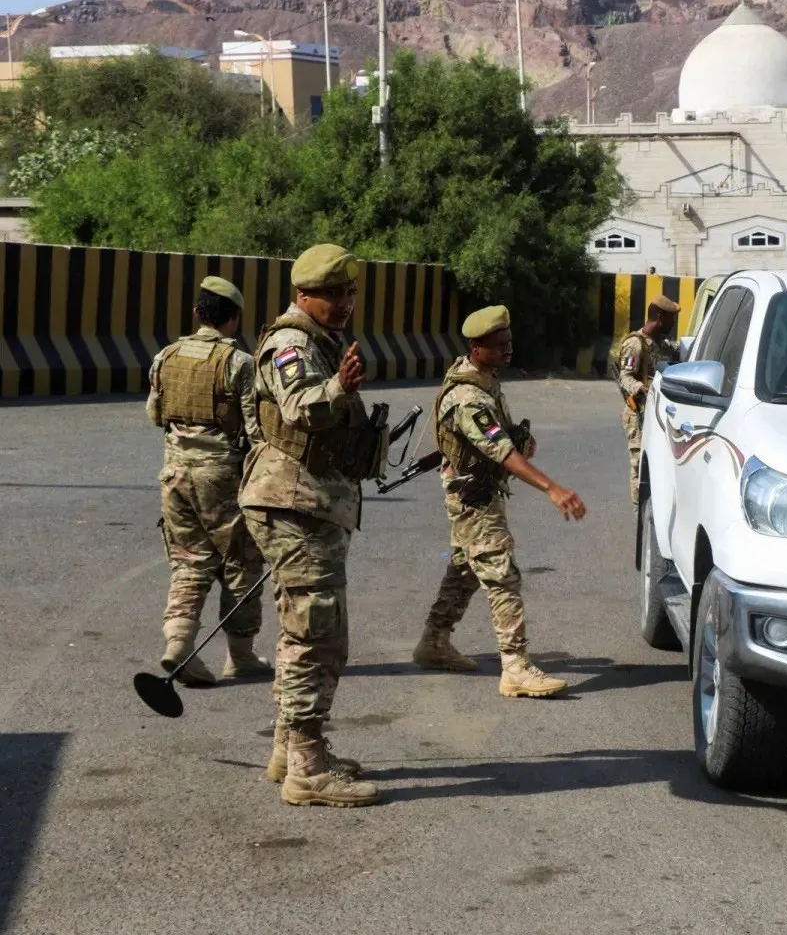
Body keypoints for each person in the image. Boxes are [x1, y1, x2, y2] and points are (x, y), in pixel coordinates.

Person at [241, 243, 386, 808]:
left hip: (312, 504)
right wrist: (340, 389)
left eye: (349, 292)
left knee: (306, 630)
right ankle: (308, 768)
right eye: (333, 293)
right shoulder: (290, 343)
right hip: (293, 505)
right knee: (317, 635)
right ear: (303, 295)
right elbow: (301, 406)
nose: (345, 302)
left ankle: (289, 750)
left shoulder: (321, 340)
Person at [413, 305, 588, 698]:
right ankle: (515, 667)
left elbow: (506, 441)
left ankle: (433, 642)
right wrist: (552, 488)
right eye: (498, 345)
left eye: (509, 342)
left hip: (480, 489)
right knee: (501, 574)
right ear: (476, 347)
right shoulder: (467, 398)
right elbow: (502, 451)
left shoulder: (485, 380)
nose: (507, 350)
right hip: (473, 496)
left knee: (464, 569)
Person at [146, 276, 271, 688]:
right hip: (221, 476)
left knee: (188, 561)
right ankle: (241, 656)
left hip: (174, 474)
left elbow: (154, 414)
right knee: (242, 563)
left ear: (197, 313)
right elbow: (256, 432)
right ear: (233, 319)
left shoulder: (166, 356)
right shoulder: (239, 364)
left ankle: (178, 645)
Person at [616, 295, 681, 506]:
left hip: (657, 413)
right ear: (660, 317)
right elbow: (625, 376)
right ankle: (639, 515)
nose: (673, 324)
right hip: (638, 415)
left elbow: (679, 352)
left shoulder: (660, 344)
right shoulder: (635, 344)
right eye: (671, 319)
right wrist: (641, 388)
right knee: (639, 467)